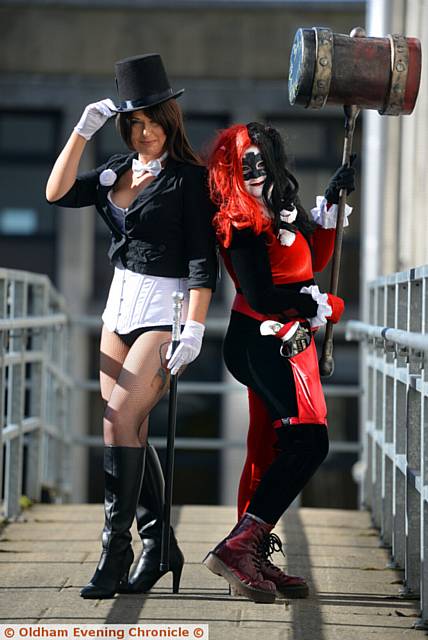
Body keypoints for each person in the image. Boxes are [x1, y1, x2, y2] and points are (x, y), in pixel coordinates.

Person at [46, 53, 217, 599]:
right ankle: (159, 543)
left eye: (153, 122)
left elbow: (201, 262)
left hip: (165, 312)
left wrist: (194, 329)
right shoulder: (116, 169)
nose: (144, 133)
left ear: (171, 120)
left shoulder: (190, 180)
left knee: (117, 421)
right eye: (134, 124)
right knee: (129, 430)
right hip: (116, 311)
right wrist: (81, 131)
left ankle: (113, 554)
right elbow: (57, 192)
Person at [204, 122, 354, 603]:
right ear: (229, 166)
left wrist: (328, 209)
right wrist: (316, 305)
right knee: (309, 442)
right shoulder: (239, 219)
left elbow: (312, 263)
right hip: (261, 339)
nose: (251, 169)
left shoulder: (282, 209)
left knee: (267, 450)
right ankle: (236, 550)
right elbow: (264, 293)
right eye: (242, 162)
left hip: (289, 340)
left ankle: (250, 554)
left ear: (273, 161)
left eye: (259, 159)